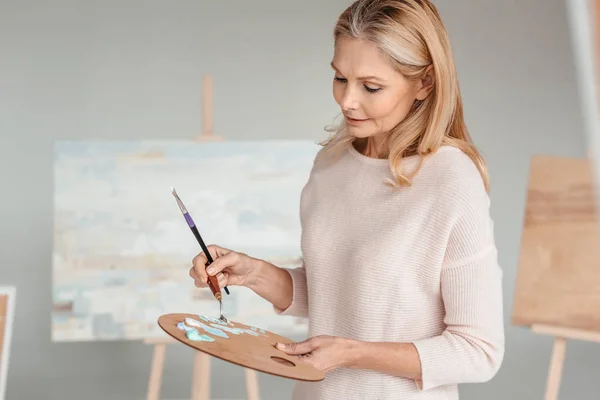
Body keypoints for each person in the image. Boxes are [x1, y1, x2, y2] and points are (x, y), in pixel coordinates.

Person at [189, 0, 505, 398]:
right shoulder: (331, 164)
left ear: (424, 82)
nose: (347, 101)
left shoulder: (452, 179)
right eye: (340, 78)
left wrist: (353, 353)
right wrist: (253, 273)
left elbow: (480, 351)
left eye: (371, 87)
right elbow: (334, 292)